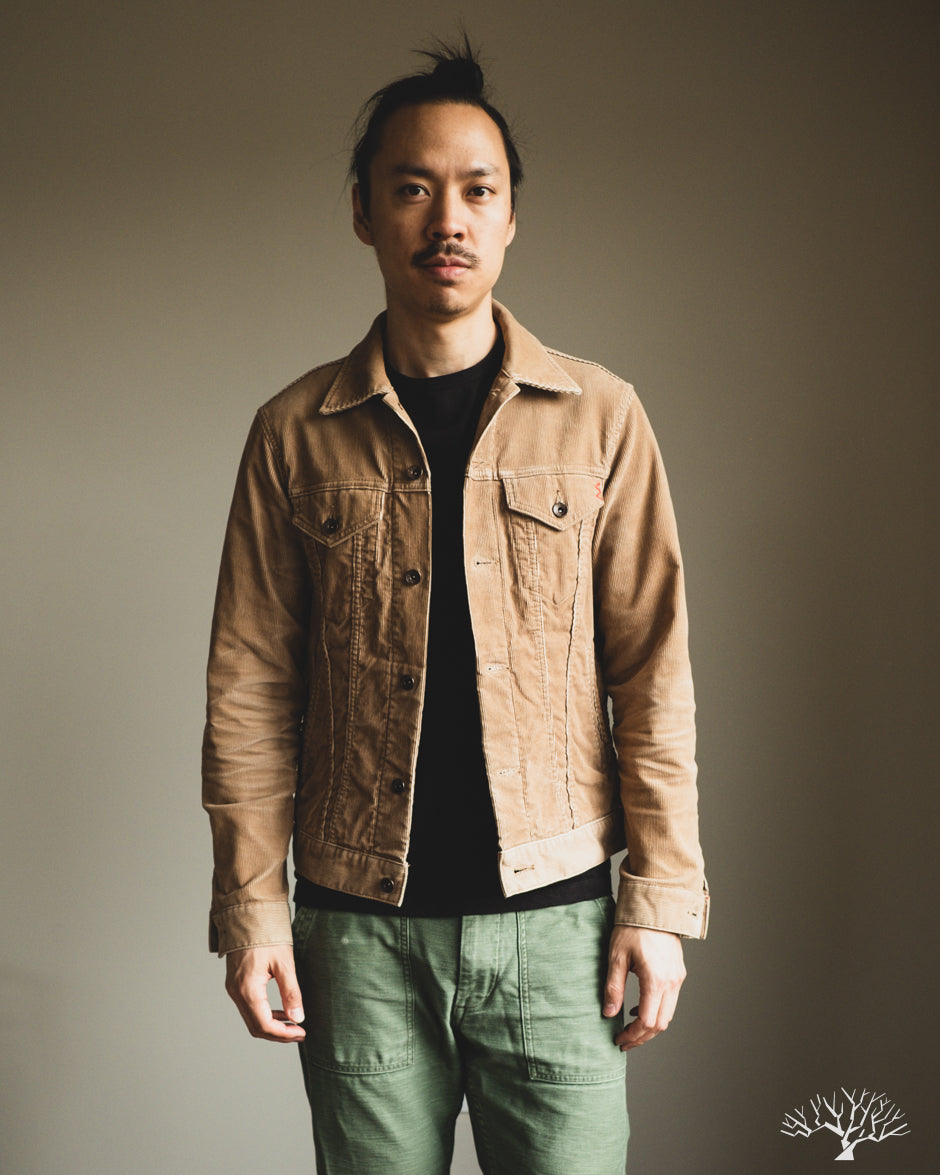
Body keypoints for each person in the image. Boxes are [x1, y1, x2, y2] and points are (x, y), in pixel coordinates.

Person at [203, 38, 708, 1175]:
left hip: (560, 927)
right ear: (363, 212)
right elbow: (250, 688)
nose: (449, 219)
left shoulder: (601, 419)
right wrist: (254, 908)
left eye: (478, 190)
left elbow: (653, 670)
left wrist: (659, 899)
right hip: (357, 934)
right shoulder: (294, 434)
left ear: (511, 215)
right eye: (413, 188)